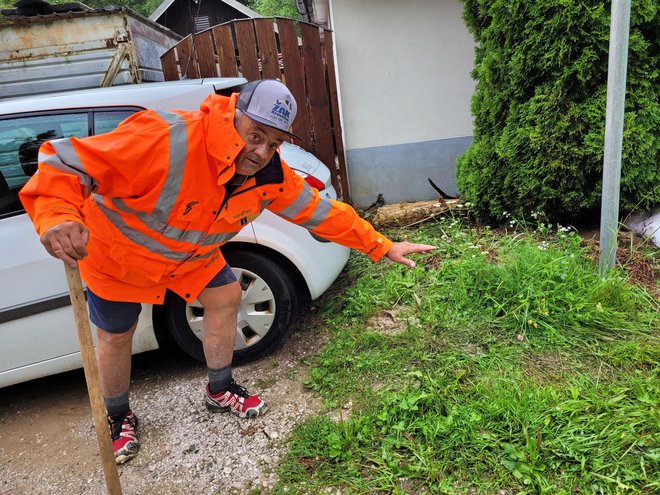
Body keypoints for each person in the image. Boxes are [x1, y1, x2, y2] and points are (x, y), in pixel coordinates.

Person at [19, 79, 436, 464]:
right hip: (118, 258)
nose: (261, 151)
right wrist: (56, 215)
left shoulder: (270, 177)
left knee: (226, 295)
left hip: (190, 257)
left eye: (273, 143)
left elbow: (319, 212)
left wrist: (381, 245)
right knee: (115, 337)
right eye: (255, 135)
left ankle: (219, 389)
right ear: (232, 116)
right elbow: (63, 161)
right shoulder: (165, 138)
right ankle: (118, 416)